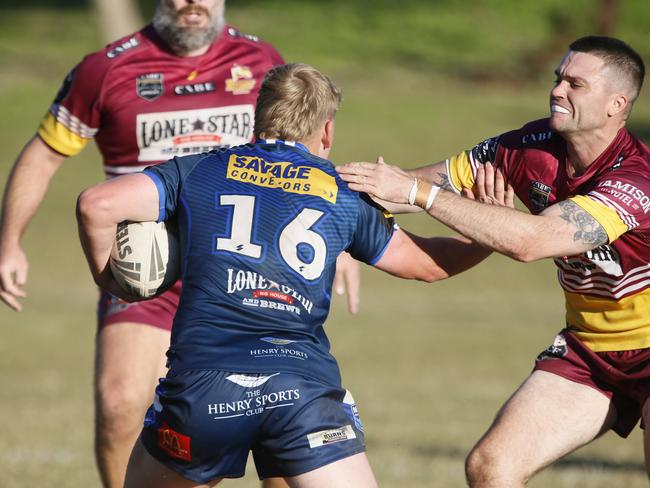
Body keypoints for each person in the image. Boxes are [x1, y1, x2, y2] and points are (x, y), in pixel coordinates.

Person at [76, 62, 494, 487]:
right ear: (326, 131)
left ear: (256, 118)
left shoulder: (199, 169)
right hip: (300, 391)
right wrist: (487, 236)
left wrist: (111, 280)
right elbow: (426, 264)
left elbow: (97, 206)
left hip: (204, 388)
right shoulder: (342, 191)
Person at [0, 2, 363, 487]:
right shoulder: (106, 69)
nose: (193, 3)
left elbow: (300, 162)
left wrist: (335, 243)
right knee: (120, 401)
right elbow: (43, 157)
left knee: (278, 413)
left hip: (249, 266)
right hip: (149, 270)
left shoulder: (259, 62)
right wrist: (9, 242)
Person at [337, 36, 650, 486]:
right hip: (591, 351)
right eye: (557, 79)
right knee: (490, 468)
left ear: (615, 104)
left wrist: (418, 195)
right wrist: (317, 191)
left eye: (574, 84)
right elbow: (408, 185)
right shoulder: (528, 147)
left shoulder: (636, 179)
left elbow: (534, 241)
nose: (557, 90)